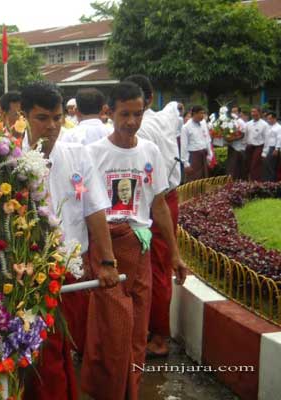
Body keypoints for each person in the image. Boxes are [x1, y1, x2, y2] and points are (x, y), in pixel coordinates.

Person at [83, 82, 187, 400]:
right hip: (107, 250)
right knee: (114, 333)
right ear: (109, 112)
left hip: (140, 248)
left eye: (137, 114)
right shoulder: (93, 154)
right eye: (124, 114)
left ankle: (133, 392)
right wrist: (102, 258)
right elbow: (86, 208)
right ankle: (108, 392)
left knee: (138, 334)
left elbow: (158, 205)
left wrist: (175, 255)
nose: (131, 121)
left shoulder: (149, 151)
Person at [20, 82, 119, 400]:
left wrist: (106, 262)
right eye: (42, 118)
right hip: (24, 278)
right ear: (24, 116)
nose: (51, 127)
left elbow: (94, 211)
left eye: (57, 118)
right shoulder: (4, 159)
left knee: (62, 350)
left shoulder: (79, 155)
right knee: (41, 356)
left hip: (72, 273)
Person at [125, 74, 182, 357]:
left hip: (154, 200)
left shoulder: (142, 130)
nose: (130, 120)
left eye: (134, 110)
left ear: (144, 101)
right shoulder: (165, 117)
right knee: (149, 268)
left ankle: (158, 338)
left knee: (156, 270)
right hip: (167, 195)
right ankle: (147, 330)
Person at [181, 105, 212, 181]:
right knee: (193, 181)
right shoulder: (186, 127)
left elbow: (207, 139)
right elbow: (183, 146)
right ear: (194, 114)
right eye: (201, 113)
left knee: (204, 180)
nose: (203, 116)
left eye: (203, 113)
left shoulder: (204, 123)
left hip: (203, 155)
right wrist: (185, 163)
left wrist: (210, 154)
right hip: (193, 157)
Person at [245, 107, 269, 181]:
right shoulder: (248, 124)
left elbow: (267, 139)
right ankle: (249, 182)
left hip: (259, 147)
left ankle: (255, 184)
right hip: (249, 147)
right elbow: (246, 136)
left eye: (255, 112)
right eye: (252, 112)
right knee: (248, 165)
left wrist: (264, 152)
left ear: (259, 113)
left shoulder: (264, 125)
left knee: (255, 166)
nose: (253, 114)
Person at [227, 107, 247, 180]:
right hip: (232, 146)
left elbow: (242, 134)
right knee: (232, 167)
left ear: (239, 113)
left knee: (237, 168)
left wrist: (232, 139)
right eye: (232, 112)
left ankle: (238, 184)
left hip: (239, 148)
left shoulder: (240, 122)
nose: (233, 113)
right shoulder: (231, 121)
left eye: (235, 112)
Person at [262, 112, 281, 182]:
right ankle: (267, 182)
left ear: (274, 118)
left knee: (271, 166)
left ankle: (272, 183)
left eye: (270, 119)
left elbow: (279, 139)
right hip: (266, 147)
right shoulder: (267, 126)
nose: (268, 120)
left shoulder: (278, 127)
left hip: (273, 148)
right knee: (266, 166)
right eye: (267, 119)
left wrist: (276, 149)